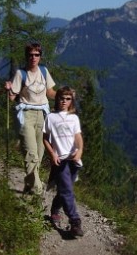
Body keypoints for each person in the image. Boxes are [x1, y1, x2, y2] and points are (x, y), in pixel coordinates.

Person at [5, 42, 56, 195]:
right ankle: (38, 190)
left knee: (39, 153)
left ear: (40, 56)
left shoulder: (44, 71)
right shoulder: (21, 74)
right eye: (30, 55)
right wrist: (8, 89)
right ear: (26, 56)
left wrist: (64, 95)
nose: (33, 57)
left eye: (36, 54)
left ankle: (29, 185)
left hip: (42, 115)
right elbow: (13, 97)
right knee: (31, 153)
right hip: (26, 114)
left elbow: (50, 92)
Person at [43, 86, 84, 237]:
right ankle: (75, 222)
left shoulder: (74, 118)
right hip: (60, 160)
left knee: (64, 190)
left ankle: (54, 210)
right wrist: (52, 154)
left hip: (73, 160)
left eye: (68, 99)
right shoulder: (51, 118)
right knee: (67, 191)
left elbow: (78, 137)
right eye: (61, 98)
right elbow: (45, 138)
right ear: (57, 99)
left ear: (71, 101)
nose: (64, 101)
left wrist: (79, 151)